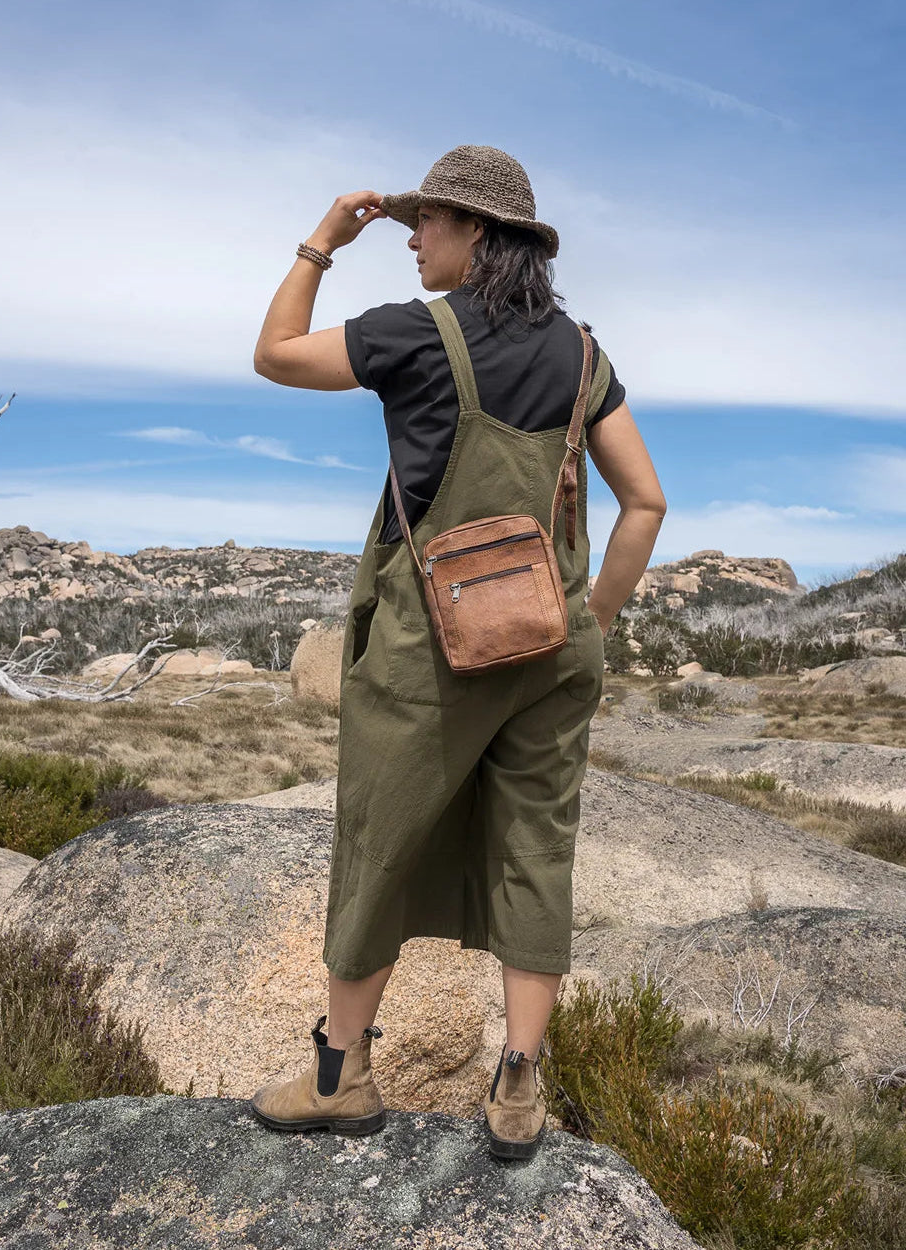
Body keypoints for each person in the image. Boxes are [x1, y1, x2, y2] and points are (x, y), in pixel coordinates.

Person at [249, 145, 666, 1159]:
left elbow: (274, 351)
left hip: (430, 650)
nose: (408, 236)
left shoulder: (413, 333)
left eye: (425, 221)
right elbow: (645, 504)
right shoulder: (582, 354)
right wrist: (588, 618)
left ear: (476, 234)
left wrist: (320, 243)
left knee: (377, 846)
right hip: (550, 647)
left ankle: (340, 1075)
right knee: (535, 851)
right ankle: (515, 1087)